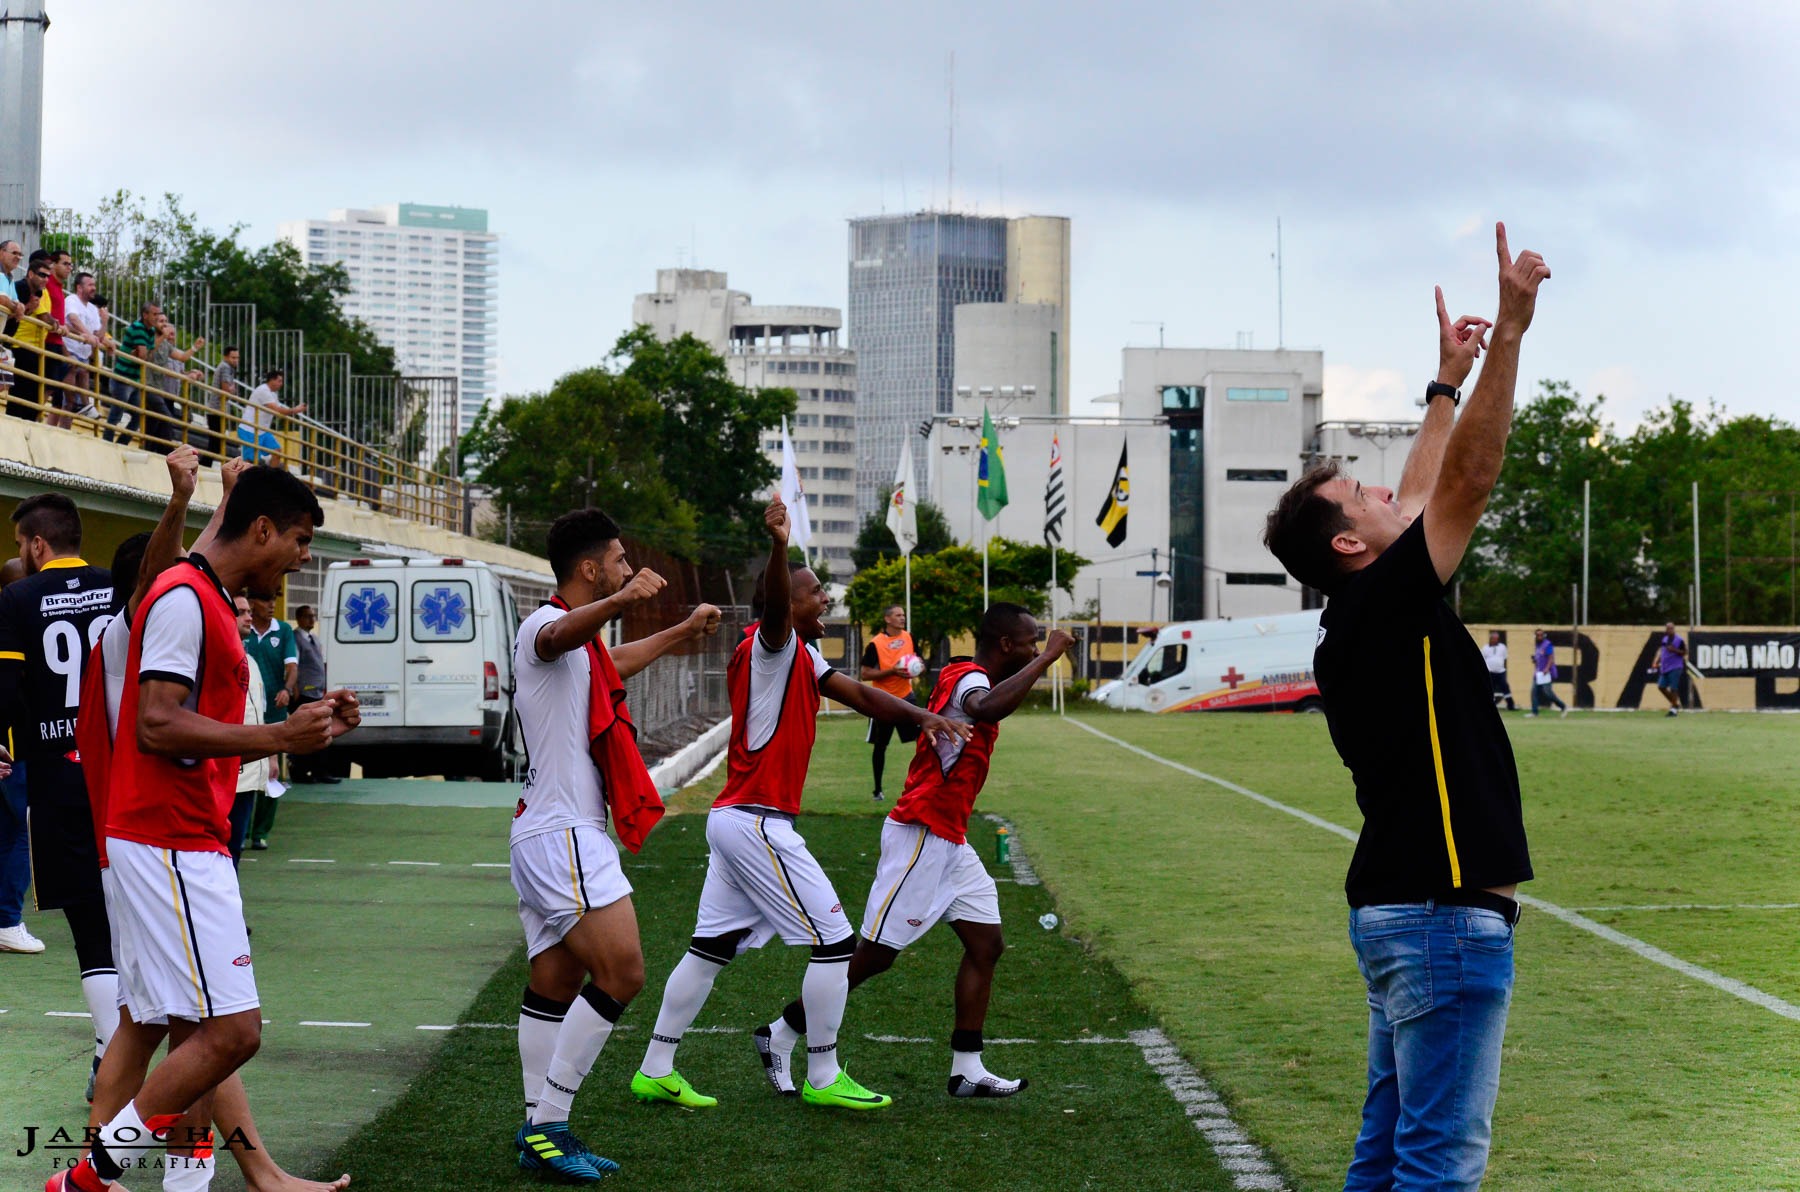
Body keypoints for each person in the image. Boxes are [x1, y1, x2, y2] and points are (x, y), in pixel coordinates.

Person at [1261, 224, 1549, 1191]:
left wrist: (1442, 387)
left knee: (1388, 1152)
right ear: (1349, 545)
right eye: (1360, 493)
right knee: (1438, 1162)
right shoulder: (1381, 607)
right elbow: (1463, 483)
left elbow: (1422, 489)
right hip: (1441, 916)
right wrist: (1509, 331)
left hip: (1403, 912)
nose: (1383, 489)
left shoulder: (1367, 611)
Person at [50, 465, 360, 1192]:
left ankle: (235, 1176)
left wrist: (302, 727)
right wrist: (282, 735)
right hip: (168, 839)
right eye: (300, 540)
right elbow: (159, 724)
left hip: (166, 835)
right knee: (228, 1032)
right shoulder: (185, 598)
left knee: (167, 1024)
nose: (302, 556)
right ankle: (87, 1181)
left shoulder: (209, 598)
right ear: (261, 530)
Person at [632, 495, 968, 1116]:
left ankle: (655, 1067)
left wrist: (923, 716)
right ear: (786, 604)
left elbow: (864, 696)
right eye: (814, 593)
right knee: (837, 944)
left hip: (737, 820)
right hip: (757, 823)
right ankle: (823, 1071)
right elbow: (777, 615)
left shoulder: (804, 655)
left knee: (708, 951)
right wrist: (781, 546)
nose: (825, 601)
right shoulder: (773, 644)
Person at [766, 604, 1074, 1099]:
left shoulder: (971, 674)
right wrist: (1051, 658)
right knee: (874, 956)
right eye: (1031, 642)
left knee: (986, 945)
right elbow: (985, 708)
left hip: (950, 839)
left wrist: (1041, 659)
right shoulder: (969, 676)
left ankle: (967, 1068)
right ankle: (781, 1032)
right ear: (1005, 646)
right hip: (922, 833)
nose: (1036, 648)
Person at [506, 506, 722, 1181]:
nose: (630, 570)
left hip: (551, 830)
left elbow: (607, 661)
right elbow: (561, 637)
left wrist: (682, 630)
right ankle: (549, 1125)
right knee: (624, 972)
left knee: (557, 980)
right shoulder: (543, 624)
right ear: (591, 567)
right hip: (562, 833)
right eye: (620, 562)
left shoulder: (581, 646)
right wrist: (623, 601)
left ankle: (537, 1128)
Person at [0, 491, 122, 1094]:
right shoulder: (117, 587)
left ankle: (109, 1051)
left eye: (21, 545)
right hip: (122, 776)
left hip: (57, 778)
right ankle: (128, 1046)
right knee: (131, 913)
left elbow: (4, 694)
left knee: (86, 919)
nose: (19, 555)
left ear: (37, 544)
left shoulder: (17, 598)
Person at [0, 554, 42, 954]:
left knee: (6, 833)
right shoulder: (15, 626)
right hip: (15, 747)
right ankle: (8, 921)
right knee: (18, 835)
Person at [243, 590, 298, 850]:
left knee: (272, 772)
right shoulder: (242, 630)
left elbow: (292, 666)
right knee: (243, 772)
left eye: (275, 601)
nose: (272, 605)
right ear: (253, 603)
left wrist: (287, 689)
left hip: (274, 714)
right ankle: (240, 829)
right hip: (246, 713)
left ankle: (260, 832)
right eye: (267, 601)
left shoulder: (283, 630)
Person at [861, 604, 920, 801]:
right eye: (898, 615)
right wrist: (892, 671)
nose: (902, 618)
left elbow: (919, 661)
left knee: (924, 739)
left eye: (903, 614)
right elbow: (865, 673)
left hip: (906, 697)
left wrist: (917, 667)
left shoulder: (909, 637)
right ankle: (877, 790)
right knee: (880, 746)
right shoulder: (875, 643)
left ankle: (922, 785)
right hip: (883, 700)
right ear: (888, 619)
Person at [289, 604, 339, 784]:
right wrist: (293, 687)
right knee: (305, 734)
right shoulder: (294, 639)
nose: (312, 619)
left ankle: (320, 771)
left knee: (321, 731)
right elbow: (293, 665)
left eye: (314, 616)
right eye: (308, 616)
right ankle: (300, 771)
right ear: (299, 619)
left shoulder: (315, 639)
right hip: (303, 693)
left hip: (317, 692)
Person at [104, 302, 163, 446]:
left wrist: (139, 353)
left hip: (134, 379)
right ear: (145, 315)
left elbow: (146, 354)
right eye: (154, 314)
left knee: (138, 416)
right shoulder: (138, 328)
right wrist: (139, 353)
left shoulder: (149, 331)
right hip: (123, 378)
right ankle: (107, 442)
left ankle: (120, 443)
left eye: (158, 314)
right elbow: (144, 355)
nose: (157, 317)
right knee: (117, 413)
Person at [7, 253, 54, 419]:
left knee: (33, 396)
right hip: (16, 345)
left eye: (48, 276)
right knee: (19, 393)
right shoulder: (19, 287)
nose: (46, 279)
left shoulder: (39, 293)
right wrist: (28, 307)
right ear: (31, 274)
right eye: (42, 275)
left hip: (32, 349)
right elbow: (11, 315)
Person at [237, 370, 306, 464]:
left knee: (277, 451)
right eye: (279, 381)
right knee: (250, 460)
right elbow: (276, 409)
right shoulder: (263, 390)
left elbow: (279, 410)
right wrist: (295, 410)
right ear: (271, 380)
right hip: (249, 429)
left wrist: (291, 411)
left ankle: (271, 476)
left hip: (262, 430)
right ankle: (246, 477)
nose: (281, 384)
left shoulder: (272, 394)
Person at [205, 346, 243, 462]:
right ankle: (204, 463)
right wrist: (231, 389)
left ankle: (206, 463)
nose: (235, 360)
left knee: (216, 442)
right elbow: (226, 389)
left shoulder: (227, 368)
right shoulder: (225, 367)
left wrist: (231, 390)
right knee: (216, 442)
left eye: (237, 358)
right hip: (217, 409)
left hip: (217, 409)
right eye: (233, 357)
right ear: (226, 357)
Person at [1529, 628, 1567, 718]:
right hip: (1538, 673)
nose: (1539, 637)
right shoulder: (1538, 646)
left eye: (1541, 635)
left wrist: (1547, 668)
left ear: (1544, 635)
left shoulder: (1547, 644)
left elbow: (1551, 658)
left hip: (1546, 673)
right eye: (1537, 635)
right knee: (1533, 692)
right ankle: (1535, 712)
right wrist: (1535, 660)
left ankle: (1563, 706)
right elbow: (1540, 658)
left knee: (1548, 693)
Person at [1653, 620, 1687, 717]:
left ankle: (1673, 710)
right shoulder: (1665, 639)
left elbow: (1685, 652)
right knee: (1661, 686)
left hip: (1675, 666)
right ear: (1666, 630)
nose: (1670, 630)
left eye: (1671, 628)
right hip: (1665, 667)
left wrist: (1674, 650)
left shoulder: (1679, 640)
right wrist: (1658, 661)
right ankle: (1675, 704)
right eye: (1668, 628)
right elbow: (1663, 651)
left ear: (1674, 629)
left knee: (1673, 688)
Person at [1482, 630, 1515, 711]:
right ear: (1490, 639)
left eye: (1496, 639)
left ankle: (1511, 706)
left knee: (1505, 687)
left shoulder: (1502, 647)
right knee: (1490, 688)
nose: (1495, 640)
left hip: (1501, 671)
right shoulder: (1485, 648)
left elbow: (1504, 658)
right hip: (1490, 672)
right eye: (1493, 638)